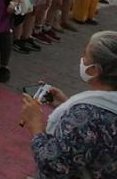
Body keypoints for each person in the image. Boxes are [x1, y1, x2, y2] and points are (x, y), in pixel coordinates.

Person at [20, 31, 117, 178]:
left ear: (95, 70)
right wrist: (66, 104)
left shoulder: (87, 116)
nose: (82, 60)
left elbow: (53, 163)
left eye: (85, 56)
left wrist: (36, 126)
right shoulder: (101, 107)